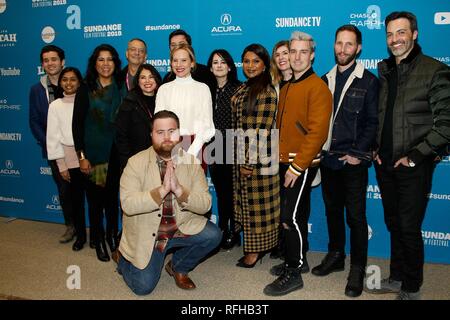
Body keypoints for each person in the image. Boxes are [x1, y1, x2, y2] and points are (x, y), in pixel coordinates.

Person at [366, 11, 450, 300]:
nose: (395, 39)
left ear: (414, 34)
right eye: (390, 34)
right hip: (385, 162)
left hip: (413, 164)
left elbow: (447, 124)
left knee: (408, 226)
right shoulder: (386, 70)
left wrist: (417, 155)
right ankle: (397, 277)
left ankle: (412, 287)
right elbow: (384, 115)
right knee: (393, 223)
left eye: (401, 33)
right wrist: (376, 148)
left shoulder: (434, 70)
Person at [116, 110, 222, 295]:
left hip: (181, 226)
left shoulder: (191, 162)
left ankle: (178, 267)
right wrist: (161, 191)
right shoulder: (135, 163)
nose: (167, 137)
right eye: (160, 132)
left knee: (213, 235)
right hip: (151, 234)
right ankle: (123, 258)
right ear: (151, 135)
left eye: (171, 131)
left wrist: (180, 191)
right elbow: (128, 204)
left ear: (179, 133)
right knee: (143, 287)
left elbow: (205, 203)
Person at [311, 25, 379, 298]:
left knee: (355, 216)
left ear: (358, 48)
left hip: (353, 161)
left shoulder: (369, 81)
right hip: (328, 159)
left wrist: (358, 153)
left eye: (349, 44)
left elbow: (373, 122)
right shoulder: (324, 79)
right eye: (339, 43)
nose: (343, 49)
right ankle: (336, 255)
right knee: (332, 212)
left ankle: (358, 268)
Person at [264, 31, 332, 296]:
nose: (297, 56)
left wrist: (295, 167)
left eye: (303, 52)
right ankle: (298, 260)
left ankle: (294, 272)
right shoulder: (289, 84)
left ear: (312, 55)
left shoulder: (318, 87)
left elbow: (317, 133)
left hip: (300, 164)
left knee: (288, 217)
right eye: (293, 51)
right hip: (284, 161)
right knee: (297, 214)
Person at [72, 44, 127, 262]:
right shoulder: (86, 89)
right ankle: (98, 240)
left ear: (115, 63)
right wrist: (82, 157)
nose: (106, 64)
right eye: (101, 60)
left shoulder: (121, 87)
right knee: (95, 202)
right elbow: (76, 125)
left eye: (110, 59)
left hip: (116, 154)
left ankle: (112, 237)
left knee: (113, 201)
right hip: (94, 156)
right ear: (94, 63)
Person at [232, 43, 280, 268]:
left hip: (258, 161)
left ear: (264, 65)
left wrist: (248, 163)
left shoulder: (267, 91)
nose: (250, 66)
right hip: (240, 155)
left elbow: (262, 131)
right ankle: (254, 248)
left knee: (257, 209)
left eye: (256, 61)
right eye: (247, 61)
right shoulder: (245, 87)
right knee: (247, 205)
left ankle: (255, 251)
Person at [29, 45, 75, 244]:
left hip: (78, 148)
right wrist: (49, 145)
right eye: (46, 60)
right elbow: (34, 120)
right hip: (55, 150)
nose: (50, 63)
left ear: (62, 61)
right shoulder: (36, 89)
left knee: (89, 189)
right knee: (64, 190)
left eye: (54, 59)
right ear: (42, 65)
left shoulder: (75, 84)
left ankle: (90, 228)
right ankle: (70, 226)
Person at [46, 67, 86, 251]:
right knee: (75, 199)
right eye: (65, 80)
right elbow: (52, 137)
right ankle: (80, 236)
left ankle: (97, 236)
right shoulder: (55, 105)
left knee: (94, 199)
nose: (69, 83)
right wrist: (61, 164)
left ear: (79, 82)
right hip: (68, 157)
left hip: (89, 156)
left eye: (73, 80)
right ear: (60, 83)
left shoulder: (87, 102)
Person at [206, 49, 241, 250]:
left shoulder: (238, 89)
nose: (219, 65)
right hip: (212, 145)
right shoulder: (207, 90)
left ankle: (233, 231)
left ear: (229, 66)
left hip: (233, 145)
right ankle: (221, 229)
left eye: (222, 62)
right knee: (221, 192)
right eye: (215, 62)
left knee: (232, 192)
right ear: (210, 68)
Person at [155, 44, 215, 161]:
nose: (179, 65)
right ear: (171, 63)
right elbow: (159, 124)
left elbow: (207, 124)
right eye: (175, 60)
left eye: (183, 60)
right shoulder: (164, 89)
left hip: (196, 147)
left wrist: (192, 152)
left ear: (192, 63)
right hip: (169, 146)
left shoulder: (202, 88)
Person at [269, 40, 292, 260]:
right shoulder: (272, 85)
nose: (282, 57)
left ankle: (291, 248)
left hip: (294, 154)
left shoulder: (303, 82)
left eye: (286, 53)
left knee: (292, 204)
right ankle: (280, 243)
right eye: (278, 54)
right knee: (278, 200)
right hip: (274, 152)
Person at [116, 64, 162, 171]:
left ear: (156, 79)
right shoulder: (129, 102)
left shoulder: (163, 99)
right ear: (138, 81)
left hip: (160, 159)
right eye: (143, 77)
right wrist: (128, 161)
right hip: (136, 161)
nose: (147, 81)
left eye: (151, 77)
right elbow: (121, 136)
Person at [162, 29, 216, 94]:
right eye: (173, 45)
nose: (178, 47)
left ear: (189, 46)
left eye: (181, 44)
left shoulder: (206, 73)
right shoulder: (168, 78)